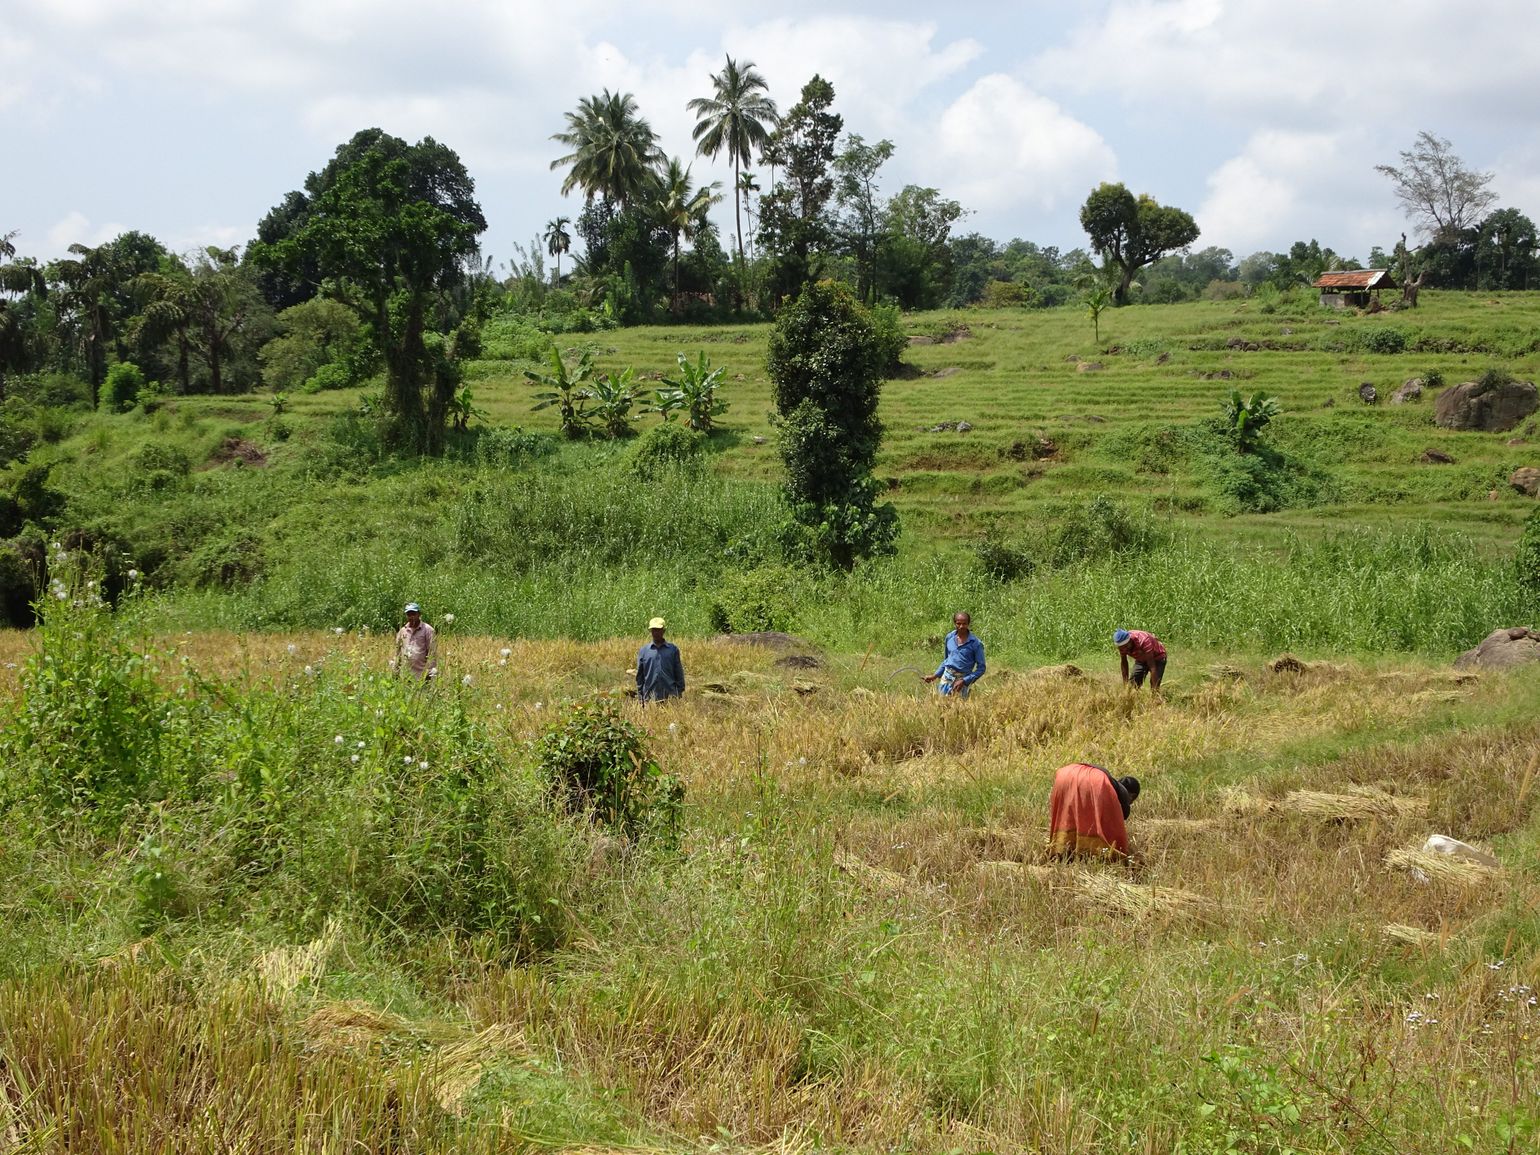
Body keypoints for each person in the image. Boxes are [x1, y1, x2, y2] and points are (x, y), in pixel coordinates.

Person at [1047, 762, 1141, 861]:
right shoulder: (1120, 792)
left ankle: (1063, 850)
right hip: (1092, 779)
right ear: (1133, 796)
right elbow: (1117, 822)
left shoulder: (1110, 784)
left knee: (1067, 815)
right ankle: (1085, 854)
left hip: (1065, 774)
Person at [923, 611, 985, 697]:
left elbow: (981, 668)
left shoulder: (975, 643)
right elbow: (947, 660)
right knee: (941, 706)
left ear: (968, 624)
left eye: (964, 624)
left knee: (958, 708)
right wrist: (935, 676)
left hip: (961, 682)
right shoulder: (950, 637)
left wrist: (965, 681)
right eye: (958, 623)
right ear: (954, 623)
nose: (961, 626)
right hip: (946, 678)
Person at [636, 616, 685, 703]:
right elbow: (640, 676)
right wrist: (640, 696)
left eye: (658, 630)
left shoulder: (672, 650)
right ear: (650, 631)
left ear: (663, 631)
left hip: (670, 697)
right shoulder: (644, 651)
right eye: (654, 630)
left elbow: (678, 672)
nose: (656, 632)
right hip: (650, 698)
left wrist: (679, 692)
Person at [391, 602, 437, 680]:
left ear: (419, 614)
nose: (411, 617)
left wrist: (429, 672)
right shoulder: (402, 631)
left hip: (422, 676)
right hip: (405, 676)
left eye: (413, 614)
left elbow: (432, 652)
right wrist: (395, 669)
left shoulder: (428, 630)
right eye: (409, 614)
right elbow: (397, 652)